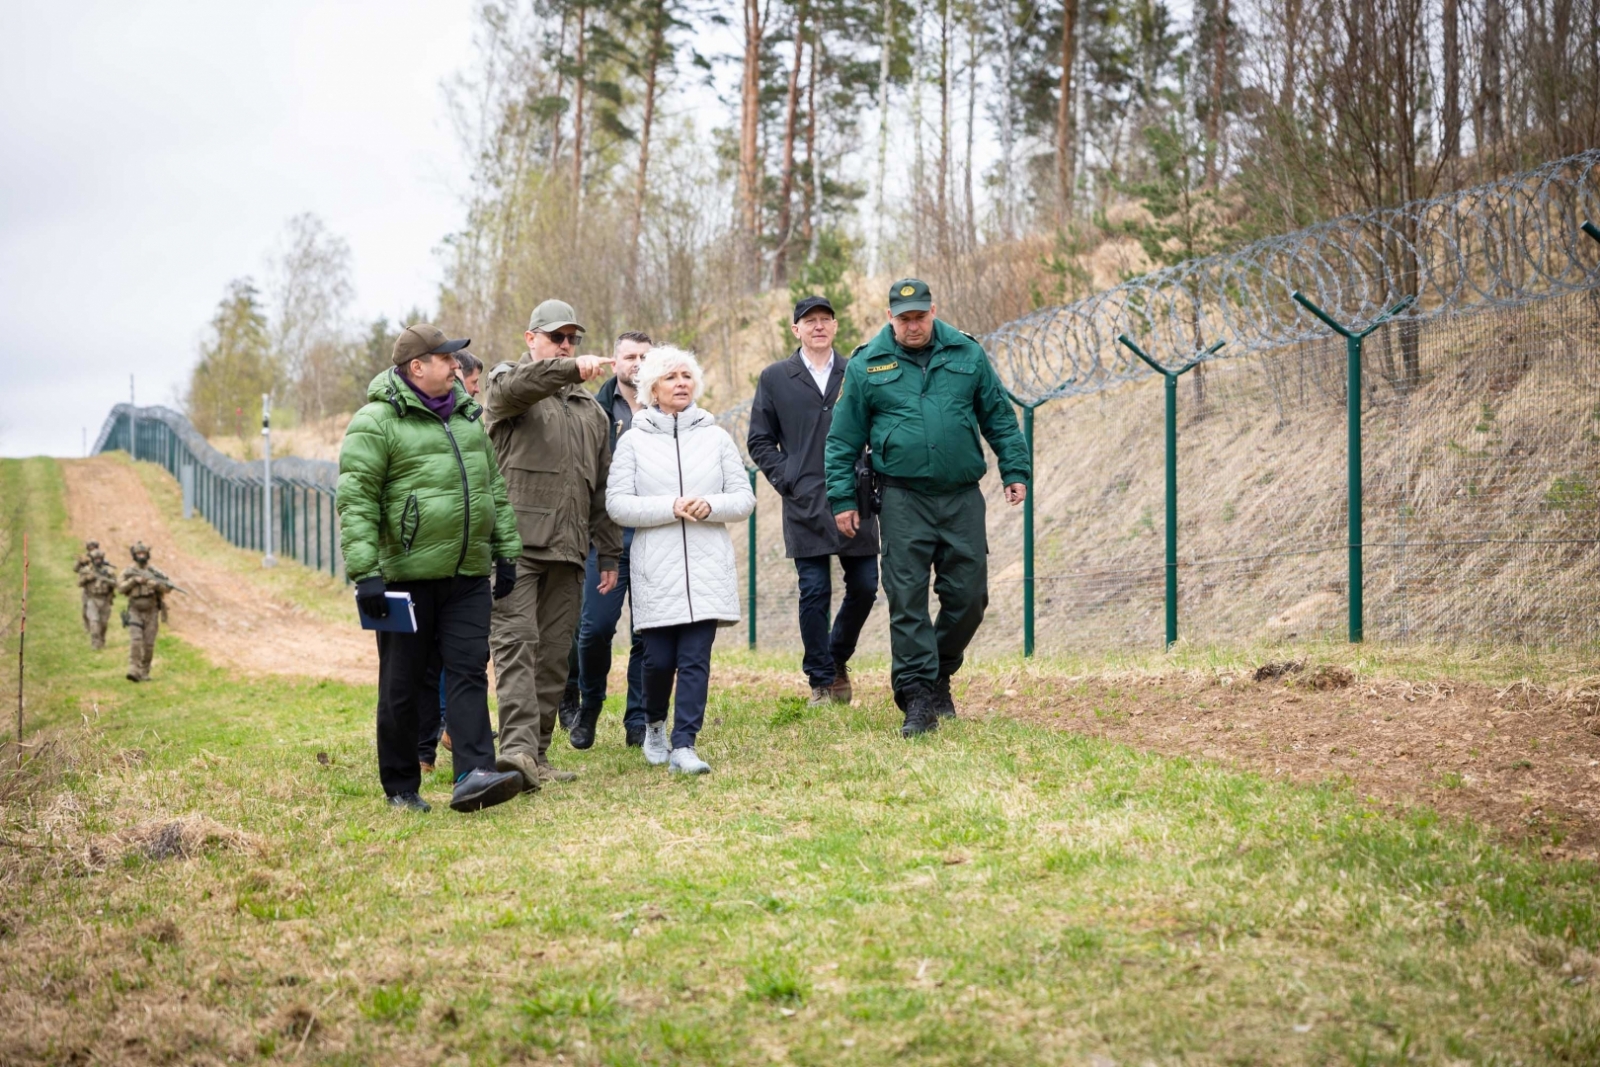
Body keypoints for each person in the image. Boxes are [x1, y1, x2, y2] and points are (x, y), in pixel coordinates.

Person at [824, 279, 1031, 738]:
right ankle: (917, 696)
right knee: (907, 598)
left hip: (961, 497)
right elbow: (841, 440)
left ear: (933, 311)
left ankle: (940, 671)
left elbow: (997, 415)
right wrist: (841, 498)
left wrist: (1014, 469)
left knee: (970, 595)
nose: (913, 325)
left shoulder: (967, 354)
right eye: (904, 318)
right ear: (890, 318)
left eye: (920, 316)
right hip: (901, 498)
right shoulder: (866, 364)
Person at [337, 323, 525, 814]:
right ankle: (401, 786)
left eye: (455, 359)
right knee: (403, 684)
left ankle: (474, 774)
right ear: (416, 367)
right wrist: (367, 574)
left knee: (468, 672)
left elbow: (493, 490)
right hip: (405, 579)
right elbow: (356, 501)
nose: (455, 366)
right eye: (446, 359)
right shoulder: (376, 422)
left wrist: (505, 551)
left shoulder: (467, 418)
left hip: (466, 576)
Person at [484, 299, 621, 789]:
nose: (566, 346)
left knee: (554, 656)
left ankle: (536, 755)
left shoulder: (592, 413)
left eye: (572, 340)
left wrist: (608, 551)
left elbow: (601, 487)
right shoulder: (508, 386)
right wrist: (566, 368)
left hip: (569, 549)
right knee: (516, 645)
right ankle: (516, 749)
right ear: (531, 339)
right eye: (556, 338)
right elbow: (517, 386)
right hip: (513, 549)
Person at [606, 345, 754, 774]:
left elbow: (743, 499)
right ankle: (654, 724)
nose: (681, 383)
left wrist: (710, 504)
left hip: (707, 566)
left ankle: (684, 744)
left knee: (695, 659)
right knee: (658, 661)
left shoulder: (716, 437)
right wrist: (670, 506)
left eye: (687, 376)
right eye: (671, 377)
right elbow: (618, 505)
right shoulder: (632, 442)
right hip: (657, 568)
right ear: (652, 387)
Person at [748, 295, 880, 706]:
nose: (818, 326)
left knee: (865, 585)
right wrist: (789, 478)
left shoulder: (856, 372)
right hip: (804, 501)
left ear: (835, 327)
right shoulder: (775, 378)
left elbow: (877, 425)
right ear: (796, 330)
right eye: (810, 321)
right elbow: (759, 439)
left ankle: (837, 656)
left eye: (825, 319)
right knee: (814, 590)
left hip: (854, 499)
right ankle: (821, 681)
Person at [561, 330, 653, 749]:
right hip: (605, 537)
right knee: (595, 628)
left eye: (644, 356)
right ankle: (590, 706)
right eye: (630, 356)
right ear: (614, 363)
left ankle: (638, 718)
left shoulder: (666, 408)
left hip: (655, 537)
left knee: (646, 632)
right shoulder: (594, 410)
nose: (637, 362)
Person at [425, 347, 487, 768]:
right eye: (471, 383)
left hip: (469, 566)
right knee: (426, 667)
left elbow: (489, 487)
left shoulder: (471, 424)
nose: (474, 392)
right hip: (425, 567)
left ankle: (468, 756)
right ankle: (423, 747)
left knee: (464, 662)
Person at [116, 542, 169, 682]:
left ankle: (144, 671)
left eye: (143, 554)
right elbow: (120, 587)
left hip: (152, 611)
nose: (141, 556)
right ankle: (133, 670)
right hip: (135, 610)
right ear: (134, 555)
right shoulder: (128, 571)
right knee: (136, 641)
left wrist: (155, 584)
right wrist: (134, 581)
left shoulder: (154, 571)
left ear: (147, 555)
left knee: (148, 644)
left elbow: (168, 587)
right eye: (138, 554)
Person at [78, 547, 117, 651]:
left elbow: (116, 584)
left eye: (100, 558)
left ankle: (102, 639)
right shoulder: (87, 571)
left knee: (103, 623)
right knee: (94, 622)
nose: (98, 561)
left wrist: (106, 580)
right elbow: (79, 583)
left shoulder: (109, 571)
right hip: (92, 599)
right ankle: (95, 643)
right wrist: (87, 578)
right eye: (96, 559)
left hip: (105, 600)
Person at [74, 539, 100, 636]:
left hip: (98, 589)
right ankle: (87, 627)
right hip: (87, 589)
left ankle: (96, 628)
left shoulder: (100, 557)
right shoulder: (85, 558)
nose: (92, 550)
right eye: (90, 548)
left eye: (94, 548)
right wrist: (81, 562)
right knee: (85, 610)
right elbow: (75, 569)